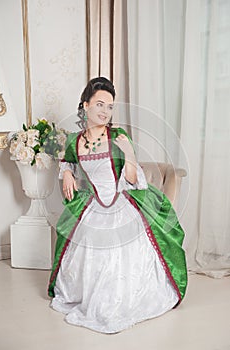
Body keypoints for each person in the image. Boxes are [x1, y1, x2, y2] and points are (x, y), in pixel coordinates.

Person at [48, 77, 187, 334]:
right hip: (93, 204)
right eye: (99, 104)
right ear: (85, 105)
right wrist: (67, 172)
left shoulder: (118, 135)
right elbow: (68, 161)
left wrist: (130, 153)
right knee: (87, 239)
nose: (104, 111)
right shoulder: (73, 141)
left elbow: (132, 179)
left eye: (110, 106)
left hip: (120, 199)